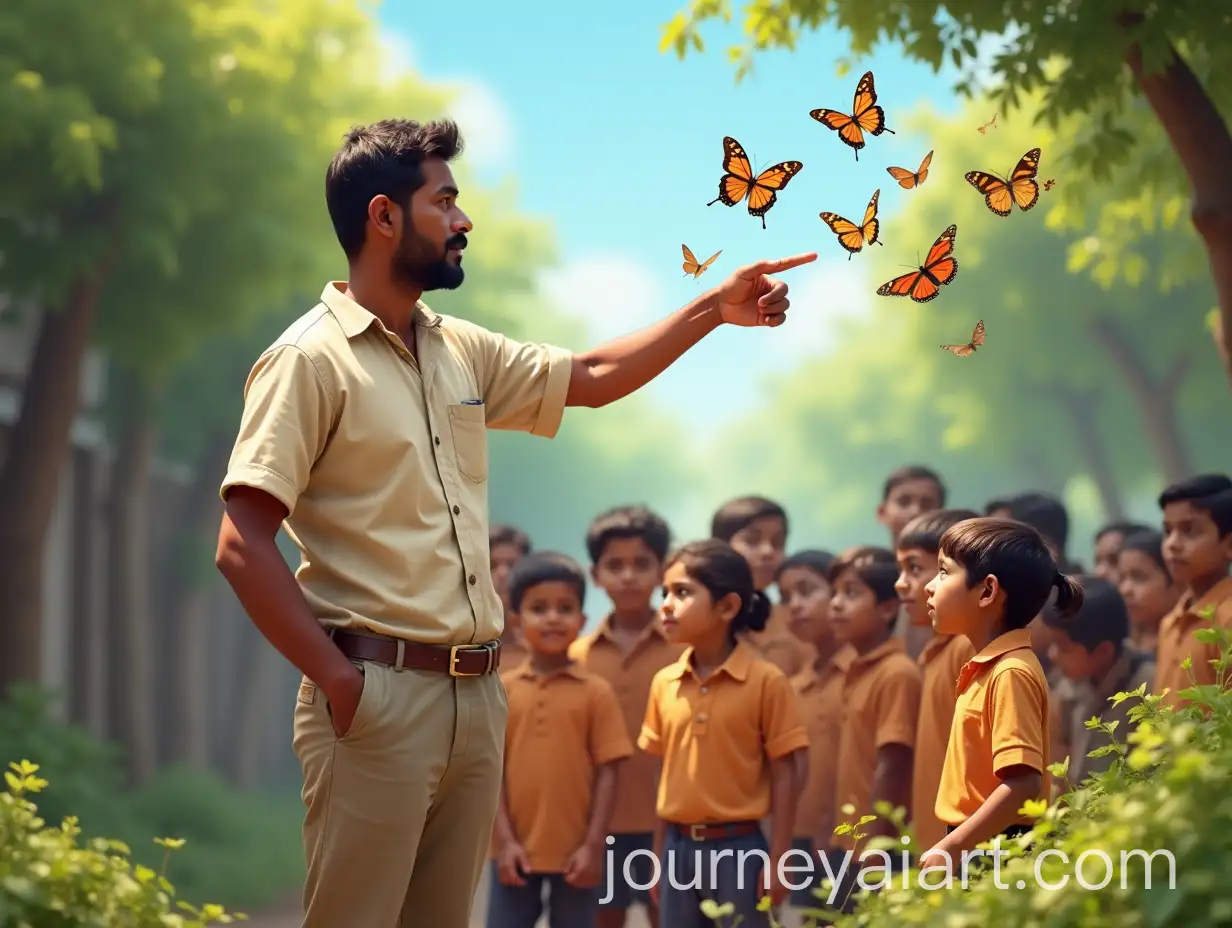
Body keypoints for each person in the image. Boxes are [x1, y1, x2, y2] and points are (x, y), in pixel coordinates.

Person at [212, 117, 816, 928]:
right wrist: (342, 683)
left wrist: (713, 307)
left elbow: (594, 376)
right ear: (384, 216)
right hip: (376, 695)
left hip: (474, 696)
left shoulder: (454, 347)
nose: (464, 221)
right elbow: (241, 542)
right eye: (446, 202)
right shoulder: (309, 361)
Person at [639, 539, 808, 927]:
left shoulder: (767, 681)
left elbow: (786, 773)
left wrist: (780, 859)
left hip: (741, 850)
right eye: (664, 592)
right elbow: (663, 772)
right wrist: (657, 853)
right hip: (677, 850)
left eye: (682, 592)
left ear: (727, 607)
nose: (666, 603)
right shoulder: (664, 682)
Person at [919, 518, 1084, 870]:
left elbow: (1023, 782)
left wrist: (954, 847)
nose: (929, 587)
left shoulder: (1011, 672)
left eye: (944, 572)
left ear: (987, 592)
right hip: (976, 841)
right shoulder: (989, 667)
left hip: (997, 848)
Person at [488, 552, 632, 928]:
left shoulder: (596, 693)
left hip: (577, 856)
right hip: (514, 854)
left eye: (565, 608)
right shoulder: (501, 692)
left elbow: (609, 773)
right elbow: (490, 774)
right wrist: (504, 843)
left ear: (581, 621)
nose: (553, 617)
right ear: (517, 623)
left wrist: (594, 846)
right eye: (539, 608)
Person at [570, 505, 682, 928]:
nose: (629, 575)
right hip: (597, 827)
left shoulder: (686, 650)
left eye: (642, 564)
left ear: (663, 571)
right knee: (603, 919)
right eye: (615, 565)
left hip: (671, 824)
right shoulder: (575, 657)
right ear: (595, 575)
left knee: (669, 917)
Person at [828, 546, 921, 912]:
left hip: (877, 849)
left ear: (887, 608)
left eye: (851, 593)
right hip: (849, 844)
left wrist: (875, 851)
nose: (835, 603)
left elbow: (893, 764)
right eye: (834, 592)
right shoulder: (857, 669)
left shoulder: (896, 672)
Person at [893, 508, 980, 857]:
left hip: (966, 847)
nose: (901, 583)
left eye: (915, 568)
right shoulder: (937, 652)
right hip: (937, 848)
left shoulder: (968, 649)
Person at [776, 549, 851, 922]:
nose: (795, 605)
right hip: (803, 842)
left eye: (806, 591)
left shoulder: (867, 673)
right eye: (786, 597)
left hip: (855, 839)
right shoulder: (795, 685)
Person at [1041, 576, 1155, 789]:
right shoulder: (1066, 685)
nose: (1052, 655)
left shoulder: (1147, 689)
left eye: (1064, 648)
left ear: (1103, 651)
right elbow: (1058, 768)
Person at [1153, 474, 1232, 709]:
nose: (1172, 544)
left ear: (1229, 545)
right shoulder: (1170, 623)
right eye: (1167, 531)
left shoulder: (1227, 619)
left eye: (1189, 531)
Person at [711, 496, 813, 677]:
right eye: (751, 541)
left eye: (777, 543)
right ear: (720, 548)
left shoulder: (795, 621)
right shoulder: (695, 619)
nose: (768, 552)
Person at [877, 466, 947, 661]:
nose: (915, 511)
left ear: (941, 514)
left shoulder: (948, 580)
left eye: (926, 504)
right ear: (882, 512)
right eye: (904, 502)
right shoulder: (868, 577)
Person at [1115, 528, 1179, 655]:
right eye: (1122, 578)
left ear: (1175, 583)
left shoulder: (1191, 640)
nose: (1125, 589)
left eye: (1139, 577)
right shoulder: (1123, 646)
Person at [491, 523, 533, 668]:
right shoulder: (458, 642)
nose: (503, 574)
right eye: (491, 565)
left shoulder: (545, 639)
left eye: (512, 565)